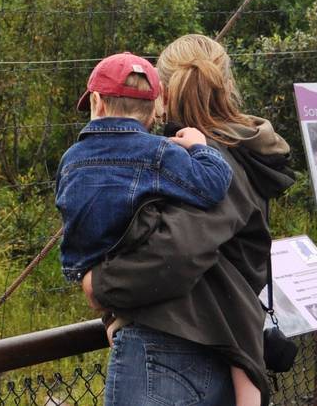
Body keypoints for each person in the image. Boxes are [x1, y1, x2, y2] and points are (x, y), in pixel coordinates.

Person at [82, 34, 295, 406]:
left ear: (161, 94)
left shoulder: (200, 163)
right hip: (223, 346)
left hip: (168, 353)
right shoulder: (242, 153)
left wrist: (101, 287)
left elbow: (177, 251)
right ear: (227, 86)